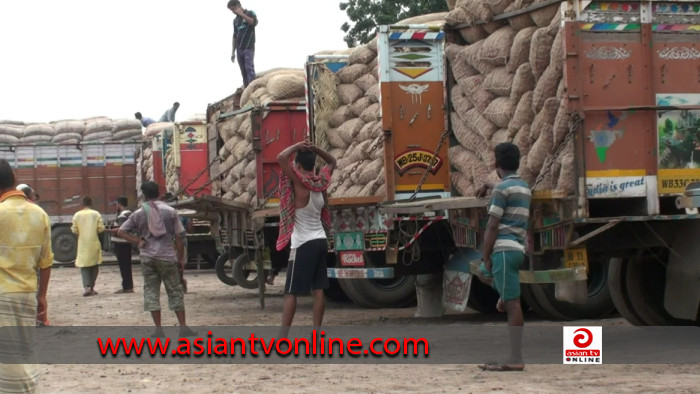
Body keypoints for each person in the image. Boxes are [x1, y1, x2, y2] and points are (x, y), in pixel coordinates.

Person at [474, 143, 532, 372]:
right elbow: (505, 188)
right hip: (517, 249)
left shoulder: (501, 192)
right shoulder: (523, 187)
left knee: (513, 303)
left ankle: (516, 358)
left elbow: (492, 226)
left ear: (496, 165)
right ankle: (502, 293)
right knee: (482, 273)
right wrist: (491, 184)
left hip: (503, 251)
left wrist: (485, 255)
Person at [0, 159, 53, 393]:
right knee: (24, 348)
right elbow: (46, 260)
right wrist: (42, 296)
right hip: (27, 293)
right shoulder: (39, 214)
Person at [117, 181, 196, 337]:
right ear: (159, 193)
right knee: (175, 291)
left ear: (143, 195)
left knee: (151, 292)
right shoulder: (171, 211)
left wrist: (137, 241)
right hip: (167, 257)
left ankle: (159, 329)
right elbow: (179, 237)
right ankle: (183, 327)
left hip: (147, 257)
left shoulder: (138, 213)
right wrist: (180, 259)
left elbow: (121, 231)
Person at [276, 140, 336, 335]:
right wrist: (315, 148)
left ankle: (281, 337)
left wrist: (297, 145)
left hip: (302, 243)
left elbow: (281, 158)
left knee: (291, 292)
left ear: (299, 166)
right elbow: (332, 161)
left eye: (295, 164)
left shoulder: (298, 182)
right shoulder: (321, 182)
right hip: (320, 241)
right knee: (318, 289)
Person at [71, 196, 105, 296]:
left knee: (84, 266)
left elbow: (74, 229)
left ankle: (86, 287)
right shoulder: (96, 214)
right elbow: (100, 229)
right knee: (94, 265)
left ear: (82, 203)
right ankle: (92, 287)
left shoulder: (77, 215)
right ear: (91, 203)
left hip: (83, 244)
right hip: (94, 242)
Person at [228, 0, 258, 87]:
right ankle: (246, 89)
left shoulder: (250, 13)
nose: (233, 12)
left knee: (249, 68)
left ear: (238, 6)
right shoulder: (235, 20)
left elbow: (254, 22)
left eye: (233, 9)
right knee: (243, 71)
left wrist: (242, 14)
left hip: (248, 47)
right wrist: (233, 52)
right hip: (239, 48)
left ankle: (253, 88)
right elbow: (234, 36)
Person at [108, 197, 134, 294]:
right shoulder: (129, 213)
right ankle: (128, 286)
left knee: (124, 266)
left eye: (116, 204)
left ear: (119, 204)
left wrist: (108, 230)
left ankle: (127, 287)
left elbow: (121, 229)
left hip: (121, 244)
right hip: (126, 243)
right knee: (126, 266)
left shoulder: (122, 215)